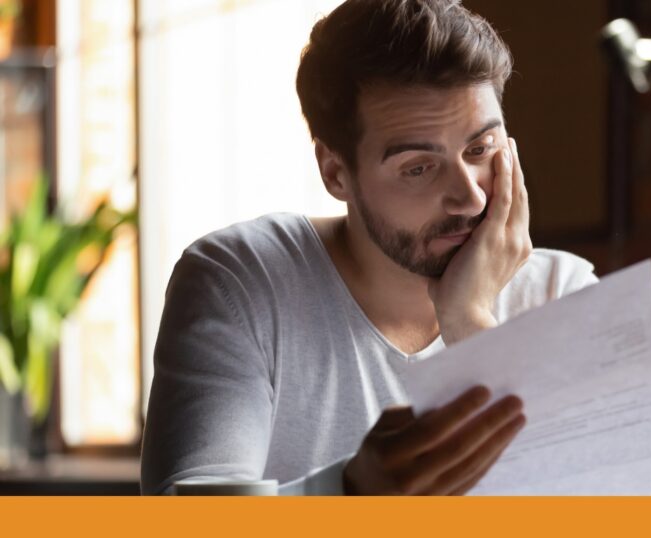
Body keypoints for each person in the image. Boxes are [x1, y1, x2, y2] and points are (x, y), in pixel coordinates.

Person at [140, 0, 598, 495]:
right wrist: (350, 494)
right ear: (336, 173)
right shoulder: (240, 282)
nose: (470, 197)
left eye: (480, 150)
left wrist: (471, 323)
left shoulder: (562, 292)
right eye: (419, 167)